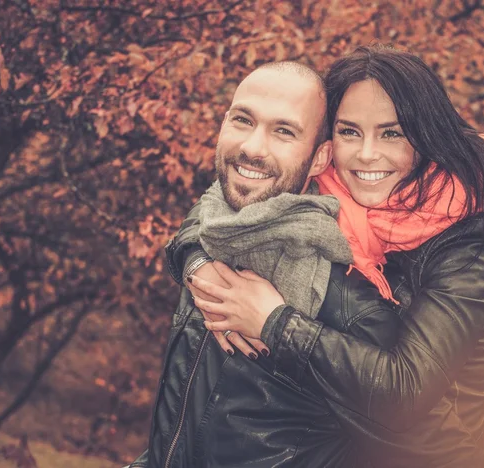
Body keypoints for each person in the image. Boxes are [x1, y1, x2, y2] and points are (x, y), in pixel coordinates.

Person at [172, 45, 484, 467]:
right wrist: (197, 263)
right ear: (327, 145)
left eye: (392, 133)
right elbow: (220, 202)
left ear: (425, 137)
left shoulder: (466, 245)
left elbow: (407, 393)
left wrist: (274, 323)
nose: (366, 154)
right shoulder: (319, 188)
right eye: (350, 131)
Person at [128, 61, 401, 468]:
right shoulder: (213, 230)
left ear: (319, 158)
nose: (254, 148)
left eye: (284, 131)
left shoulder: (352, 302)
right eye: (243, 120)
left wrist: (279, 324)